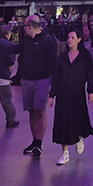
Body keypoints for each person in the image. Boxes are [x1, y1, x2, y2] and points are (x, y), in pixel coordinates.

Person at [49, 29, 93, 166]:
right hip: (63, 93)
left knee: (78, 118)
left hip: (78, 92)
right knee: (63, 121)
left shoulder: (86, 56)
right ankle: (65, 152)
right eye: (68, 38)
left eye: (72, 37)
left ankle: (79, 136)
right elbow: (56, 77)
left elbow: (90, 74)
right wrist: (52, 95)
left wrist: (91, 90)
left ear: (79, 39)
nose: (69, 40)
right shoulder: (62, 57)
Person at [18, 14, 61, 158]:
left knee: (40, 111)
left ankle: (39, 142)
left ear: (30, 26)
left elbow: (54, 63)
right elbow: (17, 49)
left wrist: (53, 88)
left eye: (24, 26)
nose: (23, 28)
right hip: (27, 80)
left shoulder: (48, 40)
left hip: (42, 80)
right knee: (31, 111)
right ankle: (34, 140)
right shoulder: (27, 40)